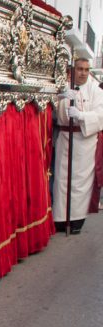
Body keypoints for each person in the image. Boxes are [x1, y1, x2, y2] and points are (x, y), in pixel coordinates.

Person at [53, 58, 103, 234]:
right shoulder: (63, 85)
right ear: (74, 70)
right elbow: (50, 105)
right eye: (80, 69)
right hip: (65, 137)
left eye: (86, 69)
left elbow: (100, 115)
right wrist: (60, 96)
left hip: (85, 141)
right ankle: (60, 218)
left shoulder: (96, 91)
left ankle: (76, 220)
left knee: (80, 183)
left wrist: (81, 116)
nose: (83, 72)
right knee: (62, 179)